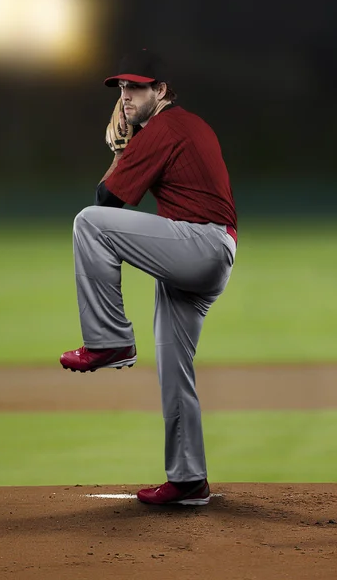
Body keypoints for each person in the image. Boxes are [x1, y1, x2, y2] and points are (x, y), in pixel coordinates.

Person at [60, 48, 237, 506]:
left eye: (136, 87)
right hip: (205, 250)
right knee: (174, 368)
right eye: (121, 88)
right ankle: (189, 481)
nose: (126, 97)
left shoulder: (165, 126)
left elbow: (107, 203)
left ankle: (109, 339)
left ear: (161, 91)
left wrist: (121, 150)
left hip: (199, 245)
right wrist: (127, 148)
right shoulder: (176, 127)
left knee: (87, 222)